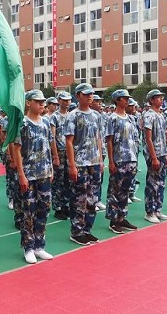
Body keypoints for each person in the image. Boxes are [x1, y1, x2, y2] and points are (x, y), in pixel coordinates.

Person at [13, 89, 54, 264]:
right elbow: (17, 150)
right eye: (38, 101)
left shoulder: (45, 123)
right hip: (29, 175)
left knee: (43, 209)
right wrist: (21, 175)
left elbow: (48, 147)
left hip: (44, 174)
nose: (42, 104)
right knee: (28, 212)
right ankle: (28, 247)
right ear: (29, 103)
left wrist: (51, 168)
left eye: (43, 101)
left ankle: (39, 245)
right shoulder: (22, 123)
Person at [64, 83, 102, 245]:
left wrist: (100, 159)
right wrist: (72, 165)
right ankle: (77, 231)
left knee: (93, 199)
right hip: (80, 163)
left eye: (91, 94)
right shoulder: (73, 115)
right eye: (86, 94)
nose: (90, 96)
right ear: (78, 95)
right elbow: (69, 142)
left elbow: (99, 139)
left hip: (94, 163)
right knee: (79, 199)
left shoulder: (97, 116)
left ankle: (87, 229)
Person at [105, 89, 139, 233]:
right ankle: (113, 220)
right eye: (124, 98)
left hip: (131, 158)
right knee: (115, 190)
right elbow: (110, 141)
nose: (127, 101)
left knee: (125, 190)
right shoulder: (112, 118)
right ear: (117, 100)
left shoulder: (131, 118)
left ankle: (122, 217)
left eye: (128, 98)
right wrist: (111, 161)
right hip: (119, 159)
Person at [143, 89, 167, 224]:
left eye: (161, 97)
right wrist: (153, 157)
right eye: (158, 97)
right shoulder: (149, 115)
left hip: (161, 152)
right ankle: (150, 211)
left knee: (161, 184)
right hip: (153, 154)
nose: (161, 99)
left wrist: (165, 154)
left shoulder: (160, 115)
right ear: (151, 100)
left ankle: (158, 209)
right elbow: (148, 138)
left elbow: (162, 137)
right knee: (152, 184)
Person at [50, 91, 72, 220]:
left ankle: (66, 205)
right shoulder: (54, 117)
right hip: (59, 151)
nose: (67, 102)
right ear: (59, 101)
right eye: (64, 100)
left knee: (68, 180)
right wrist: (55, 156)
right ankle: (58, 207)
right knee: (58, 181)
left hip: (69, 152)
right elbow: (52, 137)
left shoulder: (70, 115)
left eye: (68, 100)